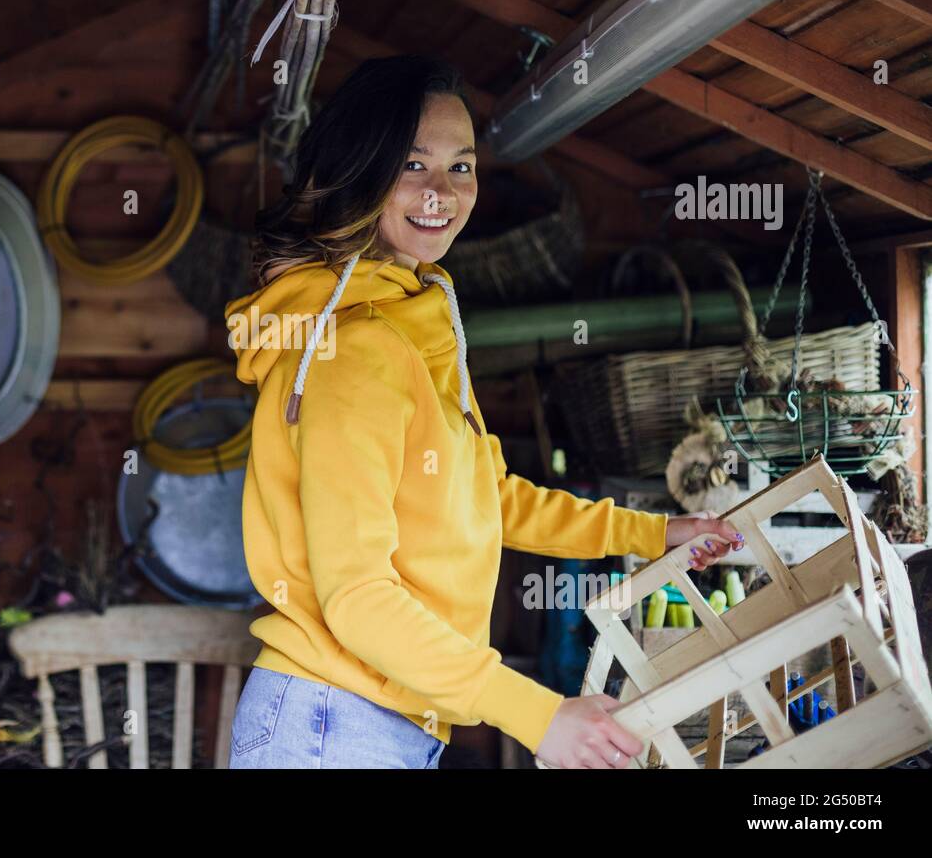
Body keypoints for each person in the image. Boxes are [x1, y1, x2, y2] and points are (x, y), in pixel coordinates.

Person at [222, 55, 741, 769]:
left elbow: (486, 498)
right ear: (360, 170)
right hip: (329, 725)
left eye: (461, 167)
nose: (443, 192)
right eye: (414, 164)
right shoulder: (354, 352)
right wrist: (539, 715)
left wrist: (651, 533)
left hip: (371, 719)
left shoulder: (414, 316)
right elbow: (359, 598)